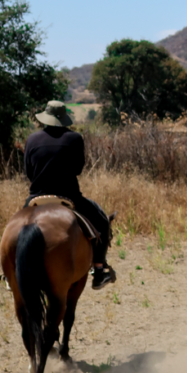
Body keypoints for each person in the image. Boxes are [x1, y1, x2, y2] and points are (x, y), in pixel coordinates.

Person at [24, 100, 116, 289]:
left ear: (45, 118)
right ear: (63, 119)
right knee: (102, 222)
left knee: (17, 229)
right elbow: (78, 169)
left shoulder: (32, 139)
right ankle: (99, 270)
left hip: (36, 198)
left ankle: (10, 274)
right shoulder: (75, 138)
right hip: (69, 198)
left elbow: (28, 172)